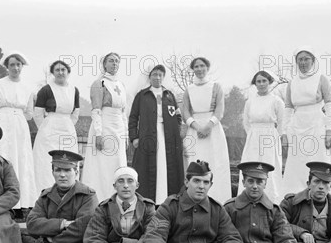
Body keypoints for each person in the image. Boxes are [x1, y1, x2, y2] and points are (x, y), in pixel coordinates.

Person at [280, 47, 331, 199]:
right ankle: (294, 200)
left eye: (306, 59)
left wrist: (329, 130)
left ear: (313, 61)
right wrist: (284, 133)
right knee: (296, 166)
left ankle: (323, 199)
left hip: (317, 125)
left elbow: (329, 105)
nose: (303, 62)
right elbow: (288, 109)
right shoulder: (292, 83)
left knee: (319, 162)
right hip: (296, 126)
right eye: (300, 59)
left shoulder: (321, 78)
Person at [0, 51, 36, 209]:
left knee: (22, 160)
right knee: (4, 158)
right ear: (7, 67)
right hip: (3, 124)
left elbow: (29, 113)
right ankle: (1, 202)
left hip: (20, 127)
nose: (15, 68)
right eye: (12, 64)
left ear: (22, 66)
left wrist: (17, 119)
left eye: (18, 64)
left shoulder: (27, 88)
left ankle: (22, 203)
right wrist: (1, 120)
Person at [129, 64, 185, 203]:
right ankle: (148, 202)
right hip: (148, 136)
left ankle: (168, 201)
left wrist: (177, 132)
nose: (158, 77)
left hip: (169, 137)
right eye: (154, 74)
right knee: (149, 167)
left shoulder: (169, 95)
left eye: (160, 75)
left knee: (168, 167)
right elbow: (133, 117)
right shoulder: (142, 95)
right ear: (149, 77)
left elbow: (178, 116)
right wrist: (134, 137)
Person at [182, 57, 231, 203]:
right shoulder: (189, 89)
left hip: (213, 130)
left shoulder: (216, 86)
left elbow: (220, 110)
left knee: (215, 163)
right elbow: (185, 112)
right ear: (193, 69)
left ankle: (218, 200)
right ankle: (193, 200)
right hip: (194, 131)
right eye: (196, 66)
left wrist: (208, 127)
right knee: (194, 163)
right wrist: (198, 128)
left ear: (207, 68)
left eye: (202, 66)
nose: (199, 69)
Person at [82, 52, 128, 201]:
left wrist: (125, 135)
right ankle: (100, 199)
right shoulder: (99, 84)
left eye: (117, 61)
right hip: (104, 126)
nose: (114, 64)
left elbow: (123, 112)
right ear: (104, 64)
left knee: (118, 164)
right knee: (102, 166)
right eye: (111, 61)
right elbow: (96, 110)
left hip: (118, 128)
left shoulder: (121, 85)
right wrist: (99, 134)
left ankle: (117, 198)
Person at [32, 60, 81, 193]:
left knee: (68, 160)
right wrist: (45, 129)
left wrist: (68, 124)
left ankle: (68, 194)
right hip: (49, 129)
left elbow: (76, 111)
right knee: (46, 162)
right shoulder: (46, 90)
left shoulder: (74, 90)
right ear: (52, 73)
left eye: (63, 70)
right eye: (57, 70)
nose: (60, 72)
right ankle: (43, 194)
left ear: (68, 72)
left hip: (68, 129)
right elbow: (37, 113)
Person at [240, 71, 285, 202]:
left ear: (269, 82)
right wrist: (253, 135)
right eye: (258, 81)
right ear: (255, 84)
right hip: (253, 137)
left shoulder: (276, 101)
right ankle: (249, 197)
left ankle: (272, 199)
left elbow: (282, 122)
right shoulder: (250, 101)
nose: (261, 84)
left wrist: (276, 136)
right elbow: (246, 122)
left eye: (264, 81)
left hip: (270, 135)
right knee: (251, 164)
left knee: (269, 166)